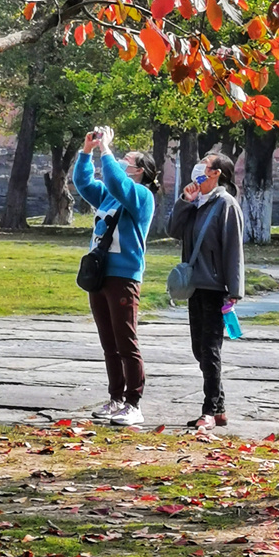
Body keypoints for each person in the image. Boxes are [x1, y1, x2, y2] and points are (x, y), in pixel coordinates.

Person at [73, 126, 159, 426]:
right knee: (108, 342)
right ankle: (116, 398)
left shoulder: (140, 196)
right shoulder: (108, 197)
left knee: (126, 341)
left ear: (140, 171)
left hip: (124, 276)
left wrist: (106, 150)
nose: (121, 160)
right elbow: (84, 183)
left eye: (127, 160)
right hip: (99, 274)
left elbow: (114, 180)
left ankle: (134, 402)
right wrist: (87, 151)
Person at [167, 154, 245, 432]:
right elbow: (173, 230)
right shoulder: (196, 202)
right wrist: (184, 203)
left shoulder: (226, 205)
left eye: (205, 163)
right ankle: (220, 408)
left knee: (210, 350)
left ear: (216, 174)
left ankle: (209, 410)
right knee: (199, 349)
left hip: (214, 287)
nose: (198, 166)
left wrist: (234, 290)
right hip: (193, 286)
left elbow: (233, 249)